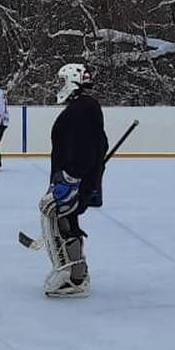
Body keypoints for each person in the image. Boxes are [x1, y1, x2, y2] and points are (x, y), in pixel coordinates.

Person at [39, 63, 107, 298]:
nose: (59, 86)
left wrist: (72, 178)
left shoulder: (82, 109)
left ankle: (73, 278)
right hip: (76, 179)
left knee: (59, 221)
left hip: (75, 180)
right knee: (66, 221)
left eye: (61, 81)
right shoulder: (83, 107)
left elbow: (86, 149)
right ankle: (76, 273)